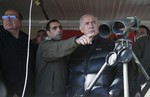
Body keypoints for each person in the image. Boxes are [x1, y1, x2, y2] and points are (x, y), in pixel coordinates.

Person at [35, 19, 94, 97]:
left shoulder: (66, 48)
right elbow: (57, 48)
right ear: (48, 33)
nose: (59, 30)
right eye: (54, 28)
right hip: (46, 94)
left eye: (60, 27)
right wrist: (76, 41)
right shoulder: (44, 45)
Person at [67, 14, 123, 97]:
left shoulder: (110, 45)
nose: (91, 25)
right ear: (81, 29)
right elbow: (69, 75)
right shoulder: (74, 48)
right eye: (87, 23)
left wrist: (112, 93)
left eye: (93, 22)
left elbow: (120, 71)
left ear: (98, 26)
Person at [0, 9, 35, 97]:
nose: (7, 19)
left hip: (27, 91)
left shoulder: (27, 41)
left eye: (12, 16)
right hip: (6, 92)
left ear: (20, 22)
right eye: (4, 17)